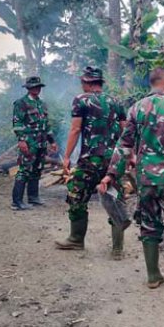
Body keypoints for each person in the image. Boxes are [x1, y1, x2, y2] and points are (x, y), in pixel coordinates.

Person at [98, 68, 164, 298]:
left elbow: (123, 145)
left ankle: (153, 276)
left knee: (149, 223)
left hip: (145, 178)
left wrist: (111, 174)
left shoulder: (136, 109)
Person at [55, 67, 130, 258]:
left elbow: (75, 130)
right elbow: (125, 130)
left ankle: (76, 239)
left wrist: (66, 157)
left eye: (82, 82)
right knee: (115, 198)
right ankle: (117, 249)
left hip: (89, 160)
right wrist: (127, 156)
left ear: (87, 82)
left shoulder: (81, 100)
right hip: (112, 161)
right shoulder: (116, 101)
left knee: (77, 195)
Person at [11, 76, 58, 211]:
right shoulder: (21, 103)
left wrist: (52, 141)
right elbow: (17, 123)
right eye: (33, 87)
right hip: (29, 141)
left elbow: (46, 124)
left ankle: (33, 197)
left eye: (38, 86)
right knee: (25, 170)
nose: (36, 89)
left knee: (37, 170)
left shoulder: (42, 104)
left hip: (41, 142)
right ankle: (17, 201)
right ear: (28, 88)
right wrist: (21, 140)